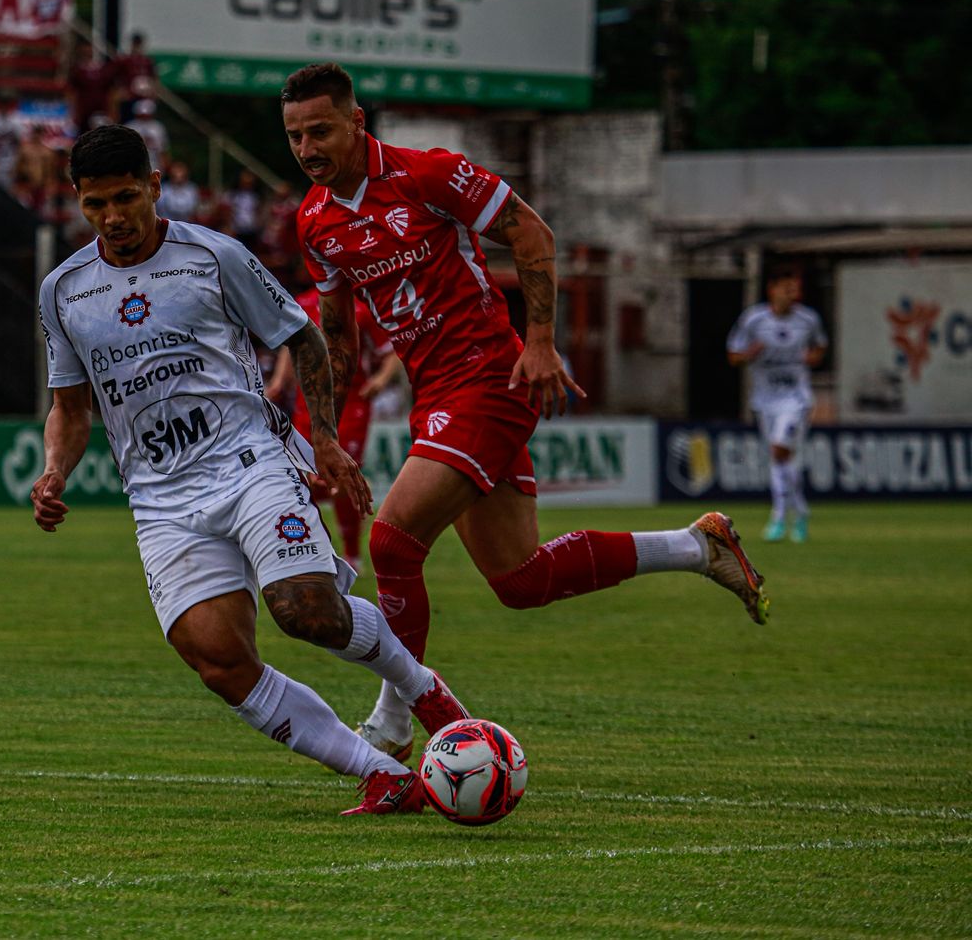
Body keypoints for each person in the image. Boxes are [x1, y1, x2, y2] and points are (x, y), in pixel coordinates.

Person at [280, 63, 770, 761]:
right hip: (437, 394)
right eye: (295, 136)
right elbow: (337, 331)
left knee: (391, 543)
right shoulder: (316, 221)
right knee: (520, 579)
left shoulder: (428, 174)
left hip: (490, 377)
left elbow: (531, 234)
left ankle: (392, 723)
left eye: (320, 130)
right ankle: (698, 546)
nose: (307, 149)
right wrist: (323, 435)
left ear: (357, 122)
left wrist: (540, 341)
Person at [32, 124, 468, 815]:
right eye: (94, 205)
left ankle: (428, 695)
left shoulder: (214, 255)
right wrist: (55, 469)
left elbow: (302, 335)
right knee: (219, 661)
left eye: (124, 198)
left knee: (307, 611)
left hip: (248, 462)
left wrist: (322, 439)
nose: (112, 218)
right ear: (78, 203)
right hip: (161, 500)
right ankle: (381, 774)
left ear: (153, 186)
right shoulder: (64, 290)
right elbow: (70, 408)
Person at [267, 283, 402, 573]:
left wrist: (379, 380)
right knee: (305, 480)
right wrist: (280, 382)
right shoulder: (302, 303)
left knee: (341, 476)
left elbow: (389, 351)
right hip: (309, 403)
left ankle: (352, 553)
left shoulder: (362, 309)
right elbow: (291, 347)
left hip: (352, 403)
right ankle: (313, 548)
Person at [727, 265, 828, 542]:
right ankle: (800, 512)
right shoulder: (753, 320)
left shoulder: (807, 319)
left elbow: (820, 346)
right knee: (780, 459)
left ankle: (778, 516)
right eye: (787, 289)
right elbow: (733, 356)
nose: (792, 294)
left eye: (795, 290)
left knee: (780, 449)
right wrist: (751, 353)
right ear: (772, 290)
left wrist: (813, 358)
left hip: (796, 398)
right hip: (765, 399)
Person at [112, 31, 159, 122]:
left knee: (145, 122)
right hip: (131, 96)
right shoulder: (124, 60)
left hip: (144, 96)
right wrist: (120, 89)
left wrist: (154, 92)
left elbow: (153, 77)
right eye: (135, 43)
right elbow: (116, 76)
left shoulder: (147, 61)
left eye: (139, 43)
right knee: (128, 121)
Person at [125, 98, 169, 173]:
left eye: (147, 114)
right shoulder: (130, 126)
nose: (144, 116)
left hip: (154, 162)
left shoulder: (157, 127)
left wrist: (165, 165)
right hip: (133, 163)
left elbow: (163, 149)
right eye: (142, 114)